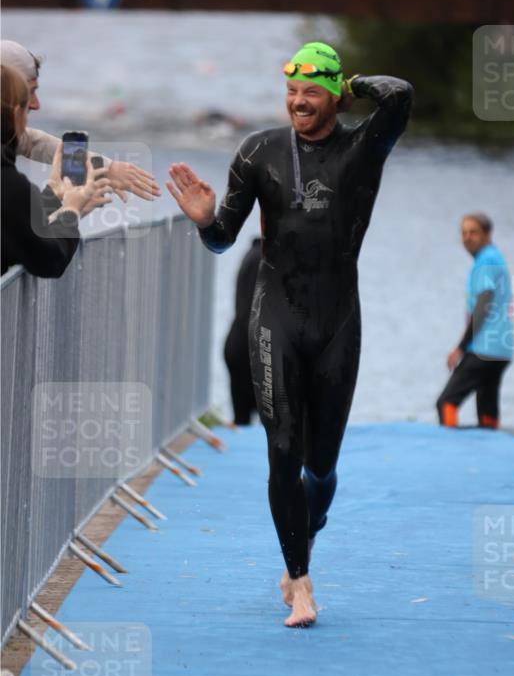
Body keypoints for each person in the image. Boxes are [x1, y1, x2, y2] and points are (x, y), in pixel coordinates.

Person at [167, 41, 412, 627]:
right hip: (275, 315)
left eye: (311, 92)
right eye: (291, 92)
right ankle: (300, 583)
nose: (298, 102)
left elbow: (399, 95)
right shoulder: (259, 151)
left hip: (337, 320)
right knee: (282, 451)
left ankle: (305, 534)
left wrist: (349, 80)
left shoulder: (363, 147)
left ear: (332, 96)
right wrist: (206, 223)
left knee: (321, 465)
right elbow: (226, 235)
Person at [0, 40, 160, 203]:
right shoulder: (13, 185)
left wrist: (106, 168)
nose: (36, 104)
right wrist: (63, 202)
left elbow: (31, 141)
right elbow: (27, 225)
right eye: (29, 92)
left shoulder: (7, 142)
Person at [1, 65, 111, 277]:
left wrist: (52, 194)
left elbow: (17, 227)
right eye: (26, 110)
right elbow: (50, 260)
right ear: (16, 114)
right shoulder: (9, 184)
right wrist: (71, 211)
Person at [436, 213, 513, 431]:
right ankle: (491, 450)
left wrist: (460, 348)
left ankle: (450, 450)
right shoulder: (495, 257)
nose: (467, 237)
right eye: (464, 233)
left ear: (487, 235)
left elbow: (483, 304)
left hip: (483, 347)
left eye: (474, 232)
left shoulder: (486, 260)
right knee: (487, 409)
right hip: (501, 349)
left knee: (446, 402)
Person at [224, 235, 262, 425]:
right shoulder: (267, 259)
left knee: (242, 420)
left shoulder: (251, 254)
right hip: (253, 350)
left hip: (238, 344)